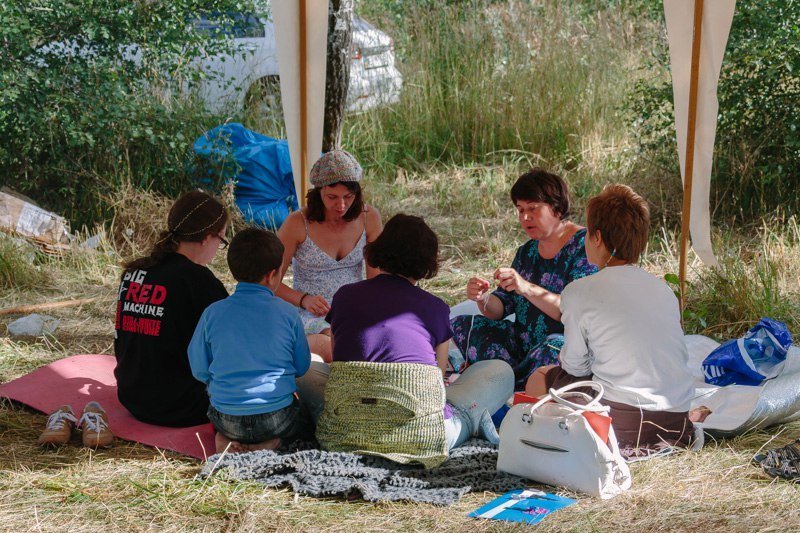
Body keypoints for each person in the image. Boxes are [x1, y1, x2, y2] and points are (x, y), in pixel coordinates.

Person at [303, 214, 514, 454]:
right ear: (427, 262)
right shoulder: (435, 307)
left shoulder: (344, 296)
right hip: (424, 437)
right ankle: (470, 421)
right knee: (500, 372)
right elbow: (438, 382)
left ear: (379, 250)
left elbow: (338, 357)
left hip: (348, 427)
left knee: (306, 369)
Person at [526, 184, 698, 458]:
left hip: (621, 424)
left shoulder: (580, 291)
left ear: (596, 238)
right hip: (677, 423)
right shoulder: (664, 291)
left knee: (539, 378)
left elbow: (574, 365)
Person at [451, 169, 597, 388]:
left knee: (556, 347)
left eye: (532, 209)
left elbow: (573, 311)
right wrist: (483, 299)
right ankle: (511, 379)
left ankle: (502, 381)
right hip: (522, 346)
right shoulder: (526, 252)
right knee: (462, 324)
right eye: (520, 210)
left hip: (562, 348)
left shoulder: (584, 246)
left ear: (556, 207)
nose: (524, 218)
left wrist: (527, 288)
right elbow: (501, 308)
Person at [188, 227, 313, 453]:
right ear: (271, 274)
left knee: (218, 416)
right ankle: (271, 444)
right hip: (277, 417)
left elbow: (199, 369)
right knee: (306, 420)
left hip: (226, 418)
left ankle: (225, 441)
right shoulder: (288, 313)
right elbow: (302, 367)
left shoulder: (212, 312)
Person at [114, 191, 228, 427]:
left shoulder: (135, 272)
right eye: (222, 240)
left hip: (132, 396)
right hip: (182, 406)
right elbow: (229, 348)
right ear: (207, 237)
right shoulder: (200, 281)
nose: (219, 248)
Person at [276, 150, 382, 362]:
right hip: (311, 313)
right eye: (332, 197)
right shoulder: (297, 223)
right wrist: (304, 299)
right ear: (318, 192)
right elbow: (268, 280)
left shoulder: (368, 217)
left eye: (348, 197)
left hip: (354, 308)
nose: (341, 206)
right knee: (330, 346)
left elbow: (377, 280)